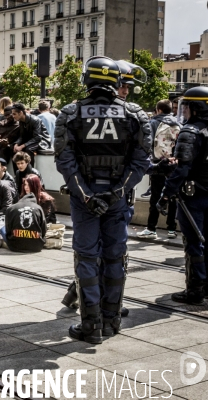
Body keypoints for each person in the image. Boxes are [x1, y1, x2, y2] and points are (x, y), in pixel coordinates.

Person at [54, 56, 151, 344]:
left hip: (85, 197)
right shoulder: (135, 114)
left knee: (86, 258)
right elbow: (141, 162)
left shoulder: (70, 113)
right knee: (115, 257)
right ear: (116, 82)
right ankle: (112, 320)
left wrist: (86, 194)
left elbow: (64, 161)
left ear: (87, 79)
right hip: (118, 198)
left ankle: (91, 325)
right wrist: (117, 192)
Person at [158, 87, 208, 305]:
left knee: (194, 242)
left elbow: (181, 168)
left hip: (193, 195)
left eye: (186, 106)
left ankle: (195, 289)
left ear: (196, 108)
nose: (183, 110)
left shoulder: (190, 132)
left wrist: (165, 194)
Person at [137, 99, 181, 240]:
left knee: (155, 196)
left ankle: (151, 228)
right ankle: (171, 229)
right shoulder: (178, 124)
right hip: (173, 165)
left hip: (158, 165)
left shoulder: (152, 123)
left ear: (159, 110)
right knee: (172, 196)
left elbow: (146, 144)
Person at [11, 103, 51, 167]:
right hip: (32, 140)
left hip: (42, 141)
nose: (13, 116)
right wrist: (16, 144)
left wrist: (22, 146)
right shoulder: (21, 121)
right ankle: (18, 174)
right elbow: (22, 136)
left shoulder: (35, 120)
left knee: (29, 149)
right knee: (13, 149)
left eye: (14, 114)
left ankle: (30, 171)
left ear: (21, 113)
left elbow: (37, 137)